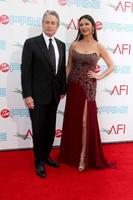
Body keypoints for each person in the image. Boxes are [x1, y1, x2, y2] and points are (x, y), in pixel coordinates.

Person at [59, 14, 115, 172]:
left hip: (89, 87)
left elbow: (111, 65)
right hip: (73, 86)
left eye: (86, 24)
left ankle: (83, 157)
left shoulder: (99, 46)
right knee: (73, 121)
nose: (83, 27)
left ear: (93, 26)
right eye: (81, 25)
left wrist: (99, 75)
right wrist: (63, 86)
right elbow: (68, 67)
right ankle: (71, 154)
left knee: (85, 122)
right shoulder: (74, 44)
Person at [21, 10, 66, 178]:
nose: (50, 25)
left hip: (54, 95)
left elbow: (60, 70)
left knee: (50, 129)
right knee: (38, 130)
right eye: (47, 22)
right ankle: (38, 161)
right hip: (36, 97)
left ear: (57, 26)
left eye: (53, 23)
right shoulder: (31, 43)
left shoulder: (61, 44)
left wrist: (62, 89)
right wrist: (27, 95)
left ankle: (47, 156)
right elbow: (26, 71)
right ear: (42, 23)